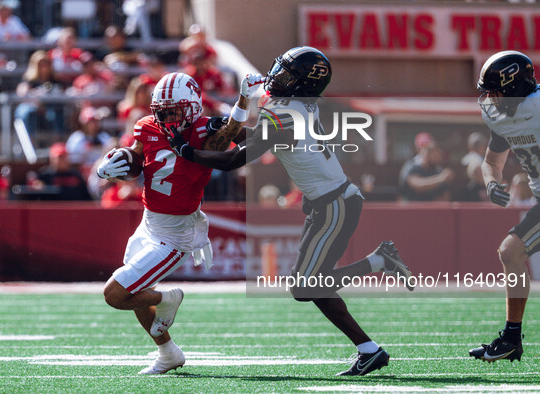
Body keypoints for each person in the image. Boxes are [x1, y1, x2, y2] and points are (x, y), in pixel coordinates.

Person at [167, 46, 414, 376]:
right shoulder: (296, 106)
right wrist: (223, 125)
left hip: (335, 204)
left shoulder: (284, 111)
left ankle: (377, 282)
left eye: (286, 74)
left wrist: (186, 150)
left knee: (307, 286)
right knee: (308, 285)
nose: (276, 77)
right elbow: (262, 138)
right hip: (329, 202)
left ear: (301, 84)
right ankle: (369, 344)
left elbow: (233, 160)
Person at [96, 71, 261, 374]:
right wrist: (116, 164)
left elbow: (243, 138)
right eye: (163, 111)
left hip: (177, 233)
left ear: (193, 107)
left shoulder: (203, 130)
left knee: (116, 294)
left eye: (175, 111)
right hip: (149, 223)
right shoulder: (147, 126)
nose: (168, 118)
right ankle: (168, 352)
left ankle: (170, 299)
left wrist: (242, 101)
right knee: (136, 293)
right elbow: (136, 163)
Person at [469, 50, 540, 363]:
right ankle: (512, 338)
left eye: (494, 90)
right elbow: (491, 162)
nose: (489, 98)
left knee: (510, 251)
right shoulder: (502, 116)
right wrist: (490, 182)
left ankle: (512, 337)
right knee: (510, 253)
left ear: (514, 87)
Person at [14, 50, 66, 136]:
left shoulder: (55, 80)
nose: (44, 67)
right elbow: (22, 93)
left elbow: (62, 92)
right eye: (41, 64)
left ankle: (57, 141)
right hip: (34, 109)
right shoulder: (29, 80)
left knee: (56, 112)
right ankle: (30, 141)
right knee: (27, 112)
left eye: (46, 63)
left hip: (50, 109)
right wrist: (36, 96)